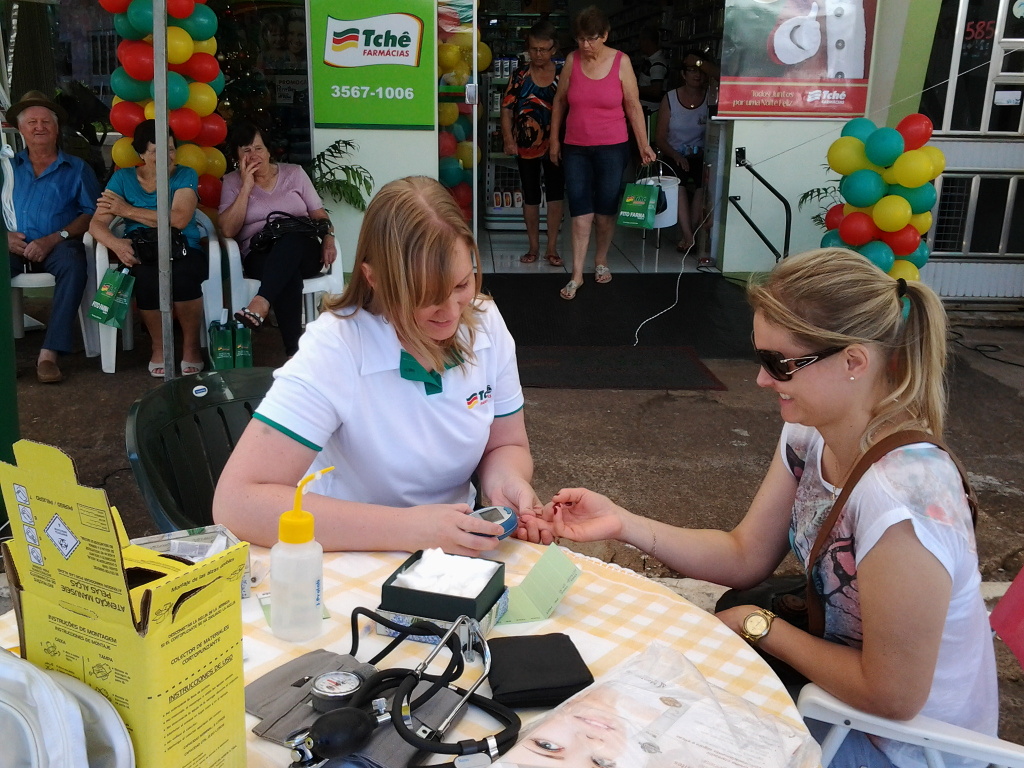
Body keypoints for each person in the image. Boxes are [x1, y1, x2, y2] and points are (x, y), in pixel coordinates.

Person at [519, 248, 998, 768]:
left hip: (907, 747)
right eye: (760, 358)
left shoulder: (902, 496)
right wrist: (624, 523)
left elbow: (894, 696)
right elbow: (745, 553)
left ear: (855, 361)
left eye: (780, 363)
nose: (762, 380)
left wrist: (761, 626)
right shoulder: (810, 433)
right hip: (840, 707)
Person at [213, 176, 542, 554]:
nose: (451, 313)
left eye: (462, 285)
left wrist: (507, 483)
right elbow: (237, 503)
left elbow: (507, 443)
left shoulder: (484, 321)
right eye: (426, 296)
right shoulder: (337, 346)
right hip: (346, 555)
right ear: (374, 278)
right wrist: (412, 529)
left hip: (452, 553)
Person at [549, 6, 656, 301]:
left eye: (592, 39)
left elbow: (633, 106)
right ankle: (576, 275)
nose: (585, 45)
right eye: (581, 39)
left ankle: (601, 260)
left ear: (605, 35)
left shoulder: (622, 62)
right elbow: (559, 102)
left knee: (606, 210)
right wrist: (554, 141)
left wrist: (643, 144)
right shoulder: (572, 60)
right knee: (581, 210)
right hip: (576, 147)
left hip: (612, 146)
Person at [89, 120, 206, 377]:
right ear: (141, 153)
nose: (167, 157)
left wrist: (127, 210)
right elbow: (96, 224)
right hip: (143, 248)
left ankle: (191, 345)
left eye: (171, 149)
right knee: (145, 279)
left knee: (185, 275)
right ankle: (159, 347)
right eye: (157, 151)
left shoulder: (185, 174)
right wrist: (116, 244)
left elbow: (178, 219)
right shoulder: (122, 178)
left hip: (183, 246)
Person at [218, 122, 336, 358]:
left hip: (304, 249)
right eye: (246, 150)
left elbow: (319, 215)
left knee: (290, 241)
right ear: (237, 156)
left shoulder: (294, 174)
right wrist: (246, 188)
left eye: (258, 148)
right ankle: (295, 352)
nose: (254, 155)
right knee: (286, 272)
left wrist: (329, 238)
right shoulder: (232, 182)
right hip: (260, 253)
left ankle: (261, 302)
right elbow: (228, 230)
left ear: (269, 151)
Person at [6, 90, 100, 383]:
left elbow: (91, 213)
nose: (39, 127)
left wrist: (54, 237)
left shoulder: (77, 168)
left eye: (46, 122)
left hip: (58, 246)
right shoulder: (6, 168)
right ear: (21, 129)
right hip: (12, 246)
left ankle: (49, 354)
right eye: (32, 122)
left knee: (75, 261)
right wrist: (5, 237)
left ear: (57, 129)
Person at [501, 20, 565, 268]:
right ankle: (533, 247)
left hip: (555, 144)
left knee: (556, 194)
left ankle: (551, 248)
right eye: (534, 49)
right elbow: (506, 108)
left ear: (553, 49)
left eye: (543, 49)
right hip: (525, 145)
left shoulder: (562, 75)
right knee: (530, 194)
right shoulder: (520, 75)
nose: (538, 54)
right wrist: (508, 138)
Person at [655, 52, 719, 254]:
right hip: (673, 154)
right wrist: (676, 155)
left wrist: (701, 62)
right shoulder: (670, 98)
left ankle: (690, 232)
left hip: (700, 155)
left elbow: (724, 78)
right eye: (691, 70)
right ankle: (689, 235)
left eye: (700, 71)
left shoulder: (710, 97)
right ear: (683, 74)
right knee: (678, 181)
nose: (697, 75)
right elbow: (660, 138)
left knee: (703, 181)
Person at [635, 27, 668, 115]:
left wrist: (636, 88)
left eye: (641, 41)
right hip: (646, 109)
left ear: (647, 41)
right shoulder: (650, 61)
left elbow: (656, 90)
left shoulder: (657, 64)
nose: (639, 44)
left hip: (650, 111)